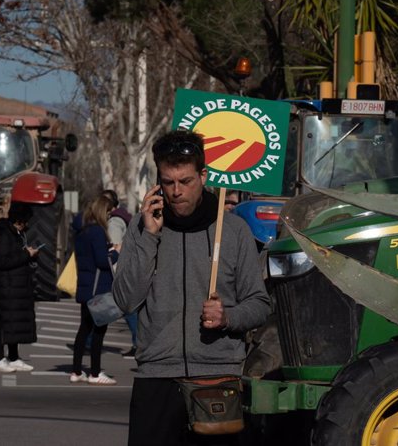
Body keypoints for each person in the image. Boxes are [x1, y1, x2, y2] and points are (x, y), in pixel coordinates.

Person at [113, 130, 271, 446]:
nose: (175, 191)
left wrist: (228, 316)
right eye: (168, 182)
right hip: (156, 378)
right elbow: (125, 300)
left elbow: (260, 304)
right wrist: (149, 237)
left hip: (216, 380)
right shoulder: (143, 227)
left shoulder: (234, 230)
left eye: (185, 181)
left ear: (203, 175)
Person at [70, 195, 119, 385]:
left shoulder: (82, 232)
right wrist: (115, 252)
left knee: (84, 330)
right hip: (98, 289)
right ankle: (95, 373)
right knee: (99, 332)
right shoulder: (98, 232)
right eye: (108, 213)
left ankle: (76, 370)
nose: (109, 217)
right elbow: (102, 260)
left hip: (85, 285)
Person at [0, 202, 39, 373]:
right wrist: (26, 254)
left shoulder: (16, 234)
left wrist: (28, 255)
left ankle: (14, 356)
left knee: (13, 322)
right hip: (8, 285)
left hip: (16, 285)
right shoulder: (4, 234)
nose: (27, 224)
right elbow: (3, 261)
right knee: (4, 321)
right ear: (20, 220)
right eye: (26, 220)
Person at [102, 189, 137, 359]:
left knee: (125, 308)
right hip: (124, 268)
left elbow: (114, 246)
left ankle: (139, 343)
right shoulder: (122, 217)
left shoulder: (114, 221)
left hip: (118, 270)